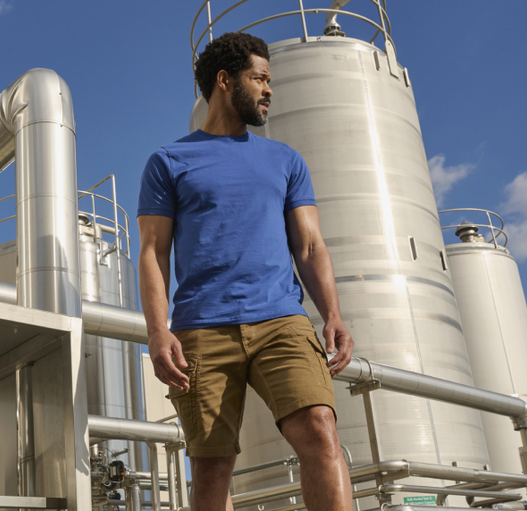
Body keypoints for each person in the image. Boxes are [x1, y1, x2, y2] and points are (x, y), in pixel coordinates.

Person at [136, 32, 355, 511]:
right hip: (201, 328)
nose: (269, 90)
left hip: (281, 319)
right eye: (259, 79)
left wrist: (332, 314)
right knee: (212, 467)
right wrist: (157, 331)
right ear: (223, 81)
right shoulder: (169, 162)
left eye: (269, 80)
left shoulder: (285, 160)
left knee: (321, 429)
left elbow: (311, 244)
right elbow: (152, 252)